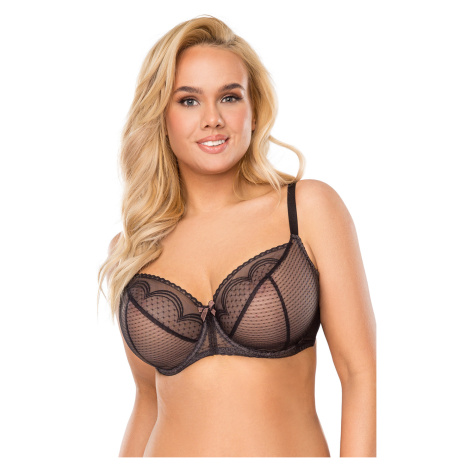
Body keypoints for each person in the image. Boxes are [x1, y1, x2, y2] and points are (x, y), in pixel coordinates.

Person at [97, 14, 376, 458]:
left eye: (229, 97)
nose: (212, 119)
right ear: (162, 116)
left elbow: (358, 373)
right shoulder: (133, 248)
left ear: (254, 109)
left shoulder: (306, 210)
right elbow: (148, 400)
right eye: (188, 100)